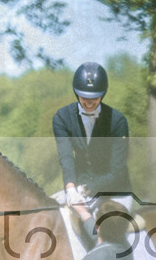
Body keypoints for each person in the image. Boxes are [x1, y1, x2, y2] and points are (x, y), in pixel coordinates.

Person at [52, 62, 132, 235]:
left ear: (103, 94)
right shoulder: (62, 117)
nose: (89, 102)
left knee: (105, 235)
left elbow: (117, 171)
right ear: (76, 93)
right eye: (83, 96)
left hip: (115, 191)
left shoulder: (117, 121)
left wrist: (85, 189)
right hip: (81, 188)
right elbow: (66, 157)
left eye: (95, 97)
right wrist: (71, 189)